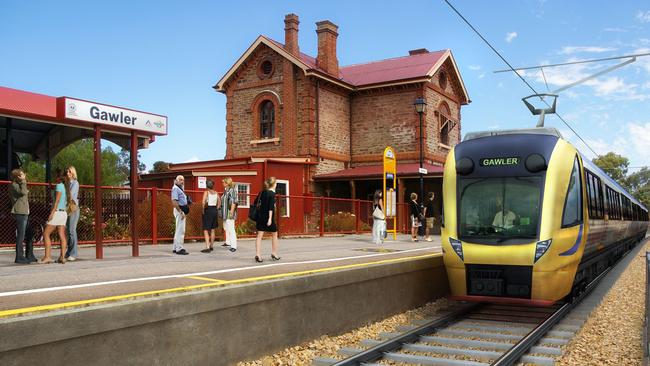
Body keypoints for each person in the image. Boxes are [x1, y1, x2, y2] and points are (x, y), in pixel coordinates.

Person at [40, 169, 70, 264]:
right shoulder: (65, 187)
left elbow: (56, 201)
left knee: (46, 234)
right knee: (62, 234)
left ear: (58, 177)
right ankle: (62, 257)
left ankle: (48, 257)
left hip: (57, 212)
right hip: (63, 213)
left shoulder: (59, 186)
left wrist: (52, 213)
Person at [9, 169, 35, 264]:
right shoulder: (13, 185)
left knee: (30, 233)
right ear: (18, 177)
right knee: (21, 235)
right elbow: (23, 192)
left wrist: (23, 182)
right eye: (22, 175)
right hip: (20, 212)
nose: (24, 176)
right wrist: (23, 181)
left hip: (25, 212)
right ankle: (19, 257)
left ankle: (29, 255)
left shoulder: (20, 184)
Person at [254, 177, 281, 262]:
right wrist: (269, 219)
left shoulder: (261, 192)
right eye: (276, 183)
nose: (276, 185)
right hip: (268, 217)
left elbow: (255, 202)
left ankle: (258, 254)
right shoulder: (272, 194)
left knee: (259, 236)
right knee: (274, 234)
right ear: (273, 184)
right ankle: (274, 253)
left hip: (260, 216)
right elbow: (271, 208)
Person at [171, 175, 189, 255]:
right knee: (181, 230)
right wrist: (181, 212)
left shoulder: (179, 188)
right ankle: (179, 248)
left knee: (178, 229)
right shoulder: (175, 188)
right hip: (180, 210)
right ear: (176, 180)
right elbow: (174, 201)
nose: (182, 181)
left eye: (183, 180)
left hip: (180, 210)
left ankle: (175, 247)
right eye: (180, 180)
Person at [201, 180, 221, 253]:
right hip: (214, 210)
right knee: (213, 229)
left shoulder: (206, 192)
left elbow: (203, 202)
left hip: (208, 210)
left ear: (207, 186)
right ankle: (212, 246)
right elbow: (219, 202)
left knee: (206, 229)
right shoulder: (216, 193)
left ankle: (207, 247)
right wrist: (216, 208)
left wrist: (203, 210)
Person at [65, 166, 80, 261]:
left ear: (73, 173)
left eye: (69, 171)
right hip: (67, 209)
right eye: (67, 172)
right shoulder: (67, 183)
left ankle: (73, 253)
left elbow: (70, 195)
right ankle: (69, 252)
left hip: (73, 209)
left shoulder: (75, 183)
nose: (67, 173)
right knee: (68, 231)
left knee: (72, 231)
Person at [221, 177, 238, 252]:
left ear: (227, 183)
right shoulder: (226, 190)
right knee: (226, 227)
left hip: (229, 212)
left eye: (224, 182)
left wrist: (231, 211)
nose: (222, 184)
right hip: (224, 212)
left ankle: (233, 246)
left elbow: (234, 201)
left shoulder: (232, 190)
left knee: (231, 229)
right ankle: (228, 242)